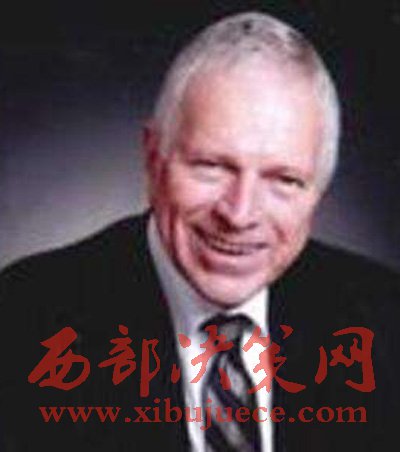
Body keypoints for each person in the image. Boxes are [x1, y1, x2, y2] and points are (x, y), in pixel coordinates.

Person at [0, 11, 399, 452]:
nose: (240, 214)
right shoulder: (20, 324)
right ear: (153, 159)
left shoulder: (384, 320)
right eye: (212, 166)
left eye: (284, 180)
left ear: (317, 190)